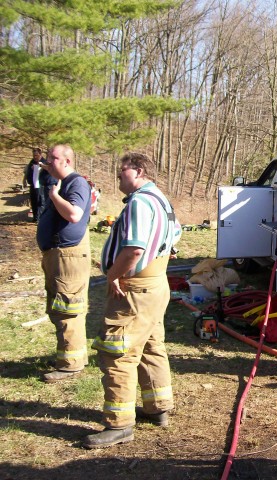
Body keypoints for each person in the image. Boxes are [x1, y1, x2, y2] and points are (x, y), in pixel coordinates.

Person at [84, 153, 181, 449]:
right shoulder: (160, 199)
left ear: (138, 171)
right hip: (155, 285)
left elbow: (134, 250)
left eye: (121, 171)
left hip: (136, 289)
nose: (117, 176)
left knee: (118, 352)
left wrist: (113, 275)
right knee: (151, 345)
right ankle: (158, 407)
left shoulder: (140, 202)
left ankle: (119, 425)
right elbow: (174, 238)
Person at [36, 145, 92, 383]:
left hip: (69, 256)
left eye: (54, 158)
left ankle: (71, 364)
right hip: (58, 255)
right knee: (59, 308)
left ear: (67, 161)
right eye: (48, 157)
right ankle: (68, 356)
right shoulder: (61, 180)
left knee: (68, 309)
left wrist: (54, 197)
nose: (49, 161)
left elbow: (74, 215)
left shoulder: (76, 183)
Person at [23, 148, 43, 222]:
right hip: (32, 184)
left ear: (40, 154)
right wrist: (24, 180)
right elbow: (27, 171)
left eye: (36, 155)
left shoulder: (43, 162)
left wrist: (39, 168)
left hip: (40, 185)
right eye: (34, 155)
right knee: (33, 201)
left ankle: (39, 218)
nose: (35, 157)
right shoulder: (32, 161)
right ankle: (35, 217)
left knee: (39, 201)